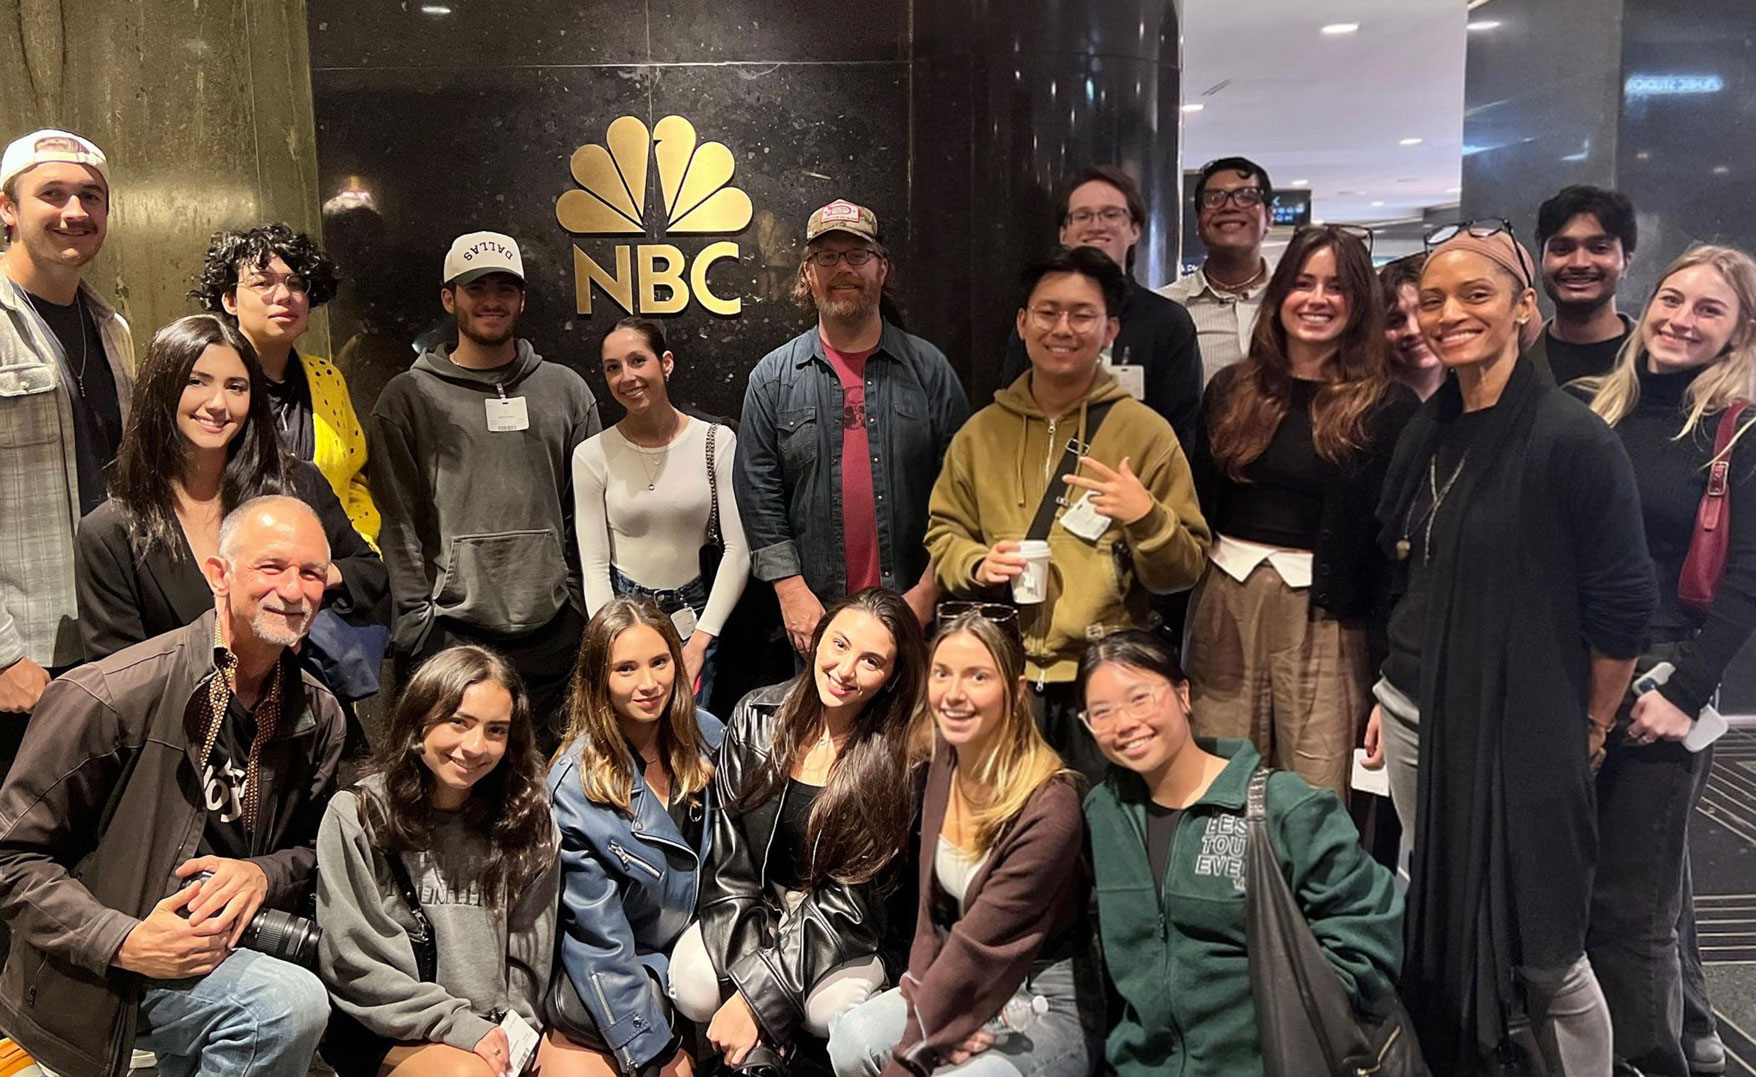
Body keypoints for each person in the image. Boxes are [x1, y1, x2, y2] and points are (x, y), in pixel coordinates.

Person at [1367, 222, 1656, 1073]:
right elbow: (1404, 573)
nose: (1448, 313)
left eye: (1475, 295)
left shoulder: (1573, 439)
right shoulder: (1426, 431)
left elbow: (1623, 607)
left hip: (1525, 724)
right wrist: (1391, 690)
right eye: (1432, 299)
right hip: (1417, 713)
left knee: (1548, 942)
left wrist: (1594, 723)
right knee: (1444, 909)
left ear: (1524, 307)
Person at [0, 495, 345, 1077]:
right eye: (272, 567)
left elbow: (319, 853)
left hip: (231, 956)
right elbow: (12, 858)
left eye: (311, 573)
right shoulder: (112, 695)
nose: (294, 590)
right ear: (219, 574)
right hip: (102, 971)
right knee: (284, 1007)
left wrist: (263, 872)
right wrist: (122, 941)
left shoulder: (319, 714)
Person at [926, 245, 1209, 782]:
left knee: (1103, 843)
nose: (1063, 328)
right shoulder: (981, 432)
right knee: (1011, 839)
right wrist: (975, 562)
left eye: (1083, 315)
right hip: (1004, 677)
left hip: (1105, 680)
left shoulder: (1145, 432)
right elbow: (944, 531)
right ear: (1022, 323)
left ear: (1109, 331)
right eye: (1048, 312)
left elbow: (1185, 569)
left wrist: (1146, 516)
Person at [1577, 245, 1756, 1077]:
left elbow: (1749, 576)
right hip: (1579, 668)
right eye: (1672, 299)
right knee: (1621, 884)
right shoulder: (1603, 406)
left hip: (1658, 680)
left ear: (1740, 331)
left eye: (1708, 309)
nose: (1681, 318)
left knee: (1628, 909)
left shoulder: (1740, 428)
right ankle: (1679, 1036)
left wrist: (1686, 688)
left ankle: (1647, 1059)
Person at [1079, 628, 1401, 1077]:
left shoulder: (1282, 807)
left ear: (1183, 694)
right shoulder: (1103, 814)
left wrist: (1309, 1015)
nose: (1126, 722)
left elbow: (1372, 923)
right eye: (1102, 712)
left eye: (1140, 698)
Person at [1184, 225, 1418, 797]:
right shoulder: (1231, 390)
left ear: (1359, 303)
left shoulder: (1387, 406)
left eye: (1336, 287)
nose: (1317, 299)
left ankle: (1309, 894)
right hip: (1224, 602)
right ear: (1280, 292)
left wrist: (1392, 675)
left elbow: (1393, 552)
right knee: (1219, 782)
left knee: (1318, 790)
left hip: (1328, 615)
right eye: (1304, 283)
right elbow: (1196, 510)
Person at [827, 611, 1103, 1077]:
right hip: (959, 979)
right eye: (942, 673)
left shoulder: (1051, 804)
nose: (954, 694)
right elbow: (932, 921)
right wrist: (929, 1022)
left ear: (1015, 693)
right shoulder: (946, 762)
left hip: (1040, 993)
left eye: (977, 676)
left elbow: (981, 951)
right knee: (851, 1042)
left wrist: (915, 1053)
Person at [671, 588, 927, 1071]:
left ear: (892, 679)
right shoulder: (755, 716)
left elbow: (853, 902)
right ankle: (771, 1046)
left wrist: (755, 1000)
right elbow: (729, 865)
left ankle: (785, 1053)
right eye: (840, 644)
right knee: (692, 983)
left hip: (843, 925)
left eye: (871, 660)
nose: (846, 669)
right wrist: (755, 986)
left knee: (827, 1011)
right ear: (818, 638)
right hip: (758, 907)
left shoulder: (898, 758)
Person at [371, 231, 601, 747]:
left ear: (522, 299)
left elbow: (584, 514)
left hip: (554, 635)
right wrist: (416, 626)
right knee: (458, 791)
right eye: (476, 289)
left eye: (504, 288)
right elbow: (399, 520)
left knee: (550, 792)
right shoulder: (407, 397)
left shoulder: (566, 391)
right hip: (451, 633)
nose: (491, 301)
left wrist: (580, 609)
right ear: (450, 298)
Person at [74, 314, 386, 664]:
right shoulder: (110, 532)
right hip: (178, 713)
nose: (218, 404)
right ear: (161, 388)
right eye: (197, 382)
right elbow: (118, 674)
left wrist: (308, 575)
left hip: (301, 709)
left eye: (236, 386)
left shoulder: (295, 483)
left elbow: (369, 571)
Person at [733, 200, 969, 655]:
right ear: (807, 273)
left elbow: (966, 490)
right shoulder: (772, 378)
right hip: (818, 622)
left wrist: (928, 591)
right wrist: (791, 592)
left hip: (918, 615)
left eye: (857, 255)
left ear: (883, 269)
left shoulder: (929, 370)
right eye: (827, 257)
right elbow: (758, 493)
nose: (843, 268)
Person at [317, 644, 559, 1077]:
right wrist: (459, 1027)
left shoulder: (529, 822)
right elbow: (355, 961)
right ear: (419, 721)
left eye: (496, 730)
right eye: (458, 722)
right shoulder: (358, 814)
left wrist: (514, 1033)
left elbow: (530, 958)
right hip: (388, 1029)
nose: (475, 746)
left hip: (493, 1028)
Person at [539, 599, 724, 1077]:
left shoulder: (710, 737)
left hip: (708, 954)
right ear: (599, 678)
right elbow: (597, 939)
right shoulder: (575, 785)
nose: (648, 683)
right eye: (626, 668)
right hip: (631, 967)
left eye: (660, 662)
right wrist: (650, 1048)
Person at [0, 129, 133, 775]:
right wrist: (0, 655)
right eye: (51, 194)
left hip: (107, 643)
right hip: (19, 662)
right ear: (6, 208)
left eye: (91, 196)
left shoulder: (112, 329)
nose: (75, 212)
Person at [575, 318, 750, 704]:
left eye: (638, 361)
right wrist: (614, 640)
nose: (627, 377)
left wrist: (702, 641)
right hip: (624, 611)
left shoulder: (715, 441)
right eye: (613, 367)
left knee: (696, 737)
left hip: (700, 613)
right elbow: (594, 565)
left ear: (666, 363)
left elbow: (739, 550)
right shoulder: (591, 455)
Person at [192, 223, 379, 544]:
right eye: (262, 283)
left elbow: (354, 482)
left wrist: (358, 556)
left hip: (325, 574)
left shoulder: (326, 378)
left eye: (296, 283)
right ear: (230, 301)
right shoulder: (202, 383)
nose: (283, 296)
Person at [997, 165, 1204, 450]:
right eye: (1082, 215)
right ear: (1064, 233)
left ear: (1135, 230)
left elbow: (1180, 430)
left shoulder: (1168, 322)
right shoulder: (1039, 320)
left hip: (1132, 485)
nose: (1096, 225)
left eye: (1110, 214)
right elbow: (1012, 409)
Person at [1157, 156, 1276, 384]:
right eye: (1214, 199)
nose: (1229, 206)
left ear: (1269, 217)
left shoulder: (1294, 301)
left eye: (1246, 197)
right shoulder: (1166, 308)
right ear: (1198, 223)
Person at [1531, 185, 1638, 387]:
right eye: (1562, 249)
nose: (1579, 263)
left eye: (1599, 248)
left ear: (1626, 262)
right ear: (1542, 260)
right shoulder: (1515, 365)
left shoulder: (1659, 358)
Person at [1379, 253, 1444, 401]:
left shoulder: (1477, 397)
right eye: (1395, 321)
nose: (1413, 330)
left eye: (1424, 312)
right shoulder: (1365, 408)